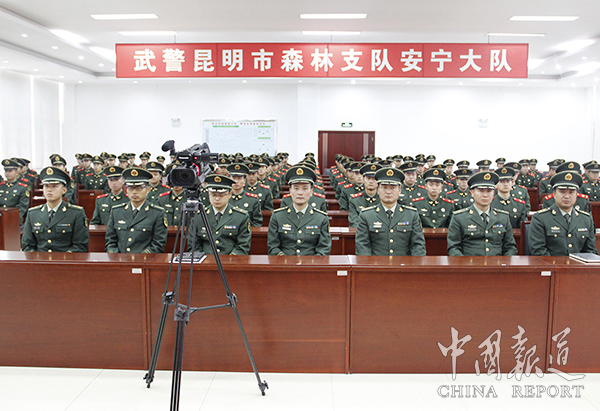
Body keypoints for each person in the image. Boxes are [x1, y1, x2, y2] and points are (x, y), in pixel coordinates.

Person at [355, 167, 426, 256]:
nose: (388, 192)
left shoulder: (411, 215)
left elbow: (418, 246)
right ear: (378, 190)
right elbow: (362, 246)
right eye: (384, 187)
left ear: (399, 190)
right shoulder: (366, 215)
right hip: (376, 263)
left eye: (392, 188)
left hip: (403, 263)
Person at [447, 171, 517, 256]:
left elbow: (510, 247)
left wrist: (505, 262)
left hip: (497, 262)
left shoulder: (503, 217)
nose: (485, 195)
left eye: (489, 191)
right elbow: (453, 247)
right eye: (481, 191)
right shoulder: (459, 218)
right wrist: (464, 263)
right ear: (472, 193)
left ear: (493, 193)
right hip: (470, 262)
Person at [529, 169, 597, 256]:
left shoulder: (586, 219)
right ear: (554, 194)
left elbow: (591, 252)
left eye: (571, 192)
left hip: (578, 264)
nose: (567, 196)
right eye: (562, 192)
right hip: (551, 264)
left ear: (577, 194)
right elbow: (538, 251)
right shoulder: (540, 218)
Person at [21, 167, 89, 252]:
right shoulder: (33, 214)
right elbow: (27, 245)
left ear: (64, 190)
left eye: (54, 186)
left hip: (65, 259)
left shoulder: (76, 213)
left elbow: (80, 246)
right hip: (40, 259)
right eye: (46, 186)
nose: (49, 190)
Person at [268, 166, 331, 256]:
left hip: (311, 263)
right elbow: (273, 247)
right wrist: (288, 261)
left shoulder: (321, 218)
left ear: (311, 192)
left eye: (305, 188)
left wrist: (310, 263)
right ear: (290, 191)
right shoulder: (277, 216)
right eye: (296, 188)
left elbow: (324, 249)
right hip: (285, 263)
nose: (300, 193)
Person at [105, 168, 168, 253]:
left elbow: (158, 245)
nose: (134, 192)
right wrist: (117, 257)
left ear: (148, 190)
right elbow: (110, 241)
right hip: (120, 259)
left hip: (144, 259)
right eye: (130, 188)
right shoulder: (116, 211)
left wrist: (138, 258)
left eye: (139, 188)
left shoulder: (157, 213)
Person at [191, 174, 251, 255]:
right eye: (213, 195)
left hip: (231, 260)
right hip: (206, 260)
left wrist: (228, 260)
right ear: (208, 194)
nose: (217, 199)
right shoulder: (199, 216)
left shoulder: (241, 217)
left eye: (221, 195)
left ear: (230, 194)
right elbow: (194, 246)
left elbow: (242, 246)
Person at [226, 163, 263, 227]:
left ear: (244, 180)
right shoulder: (224, 198)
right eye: (233, 178)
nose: (236, 181)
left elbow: (257, 222)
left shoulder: (253, 200)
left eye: (239, 178)